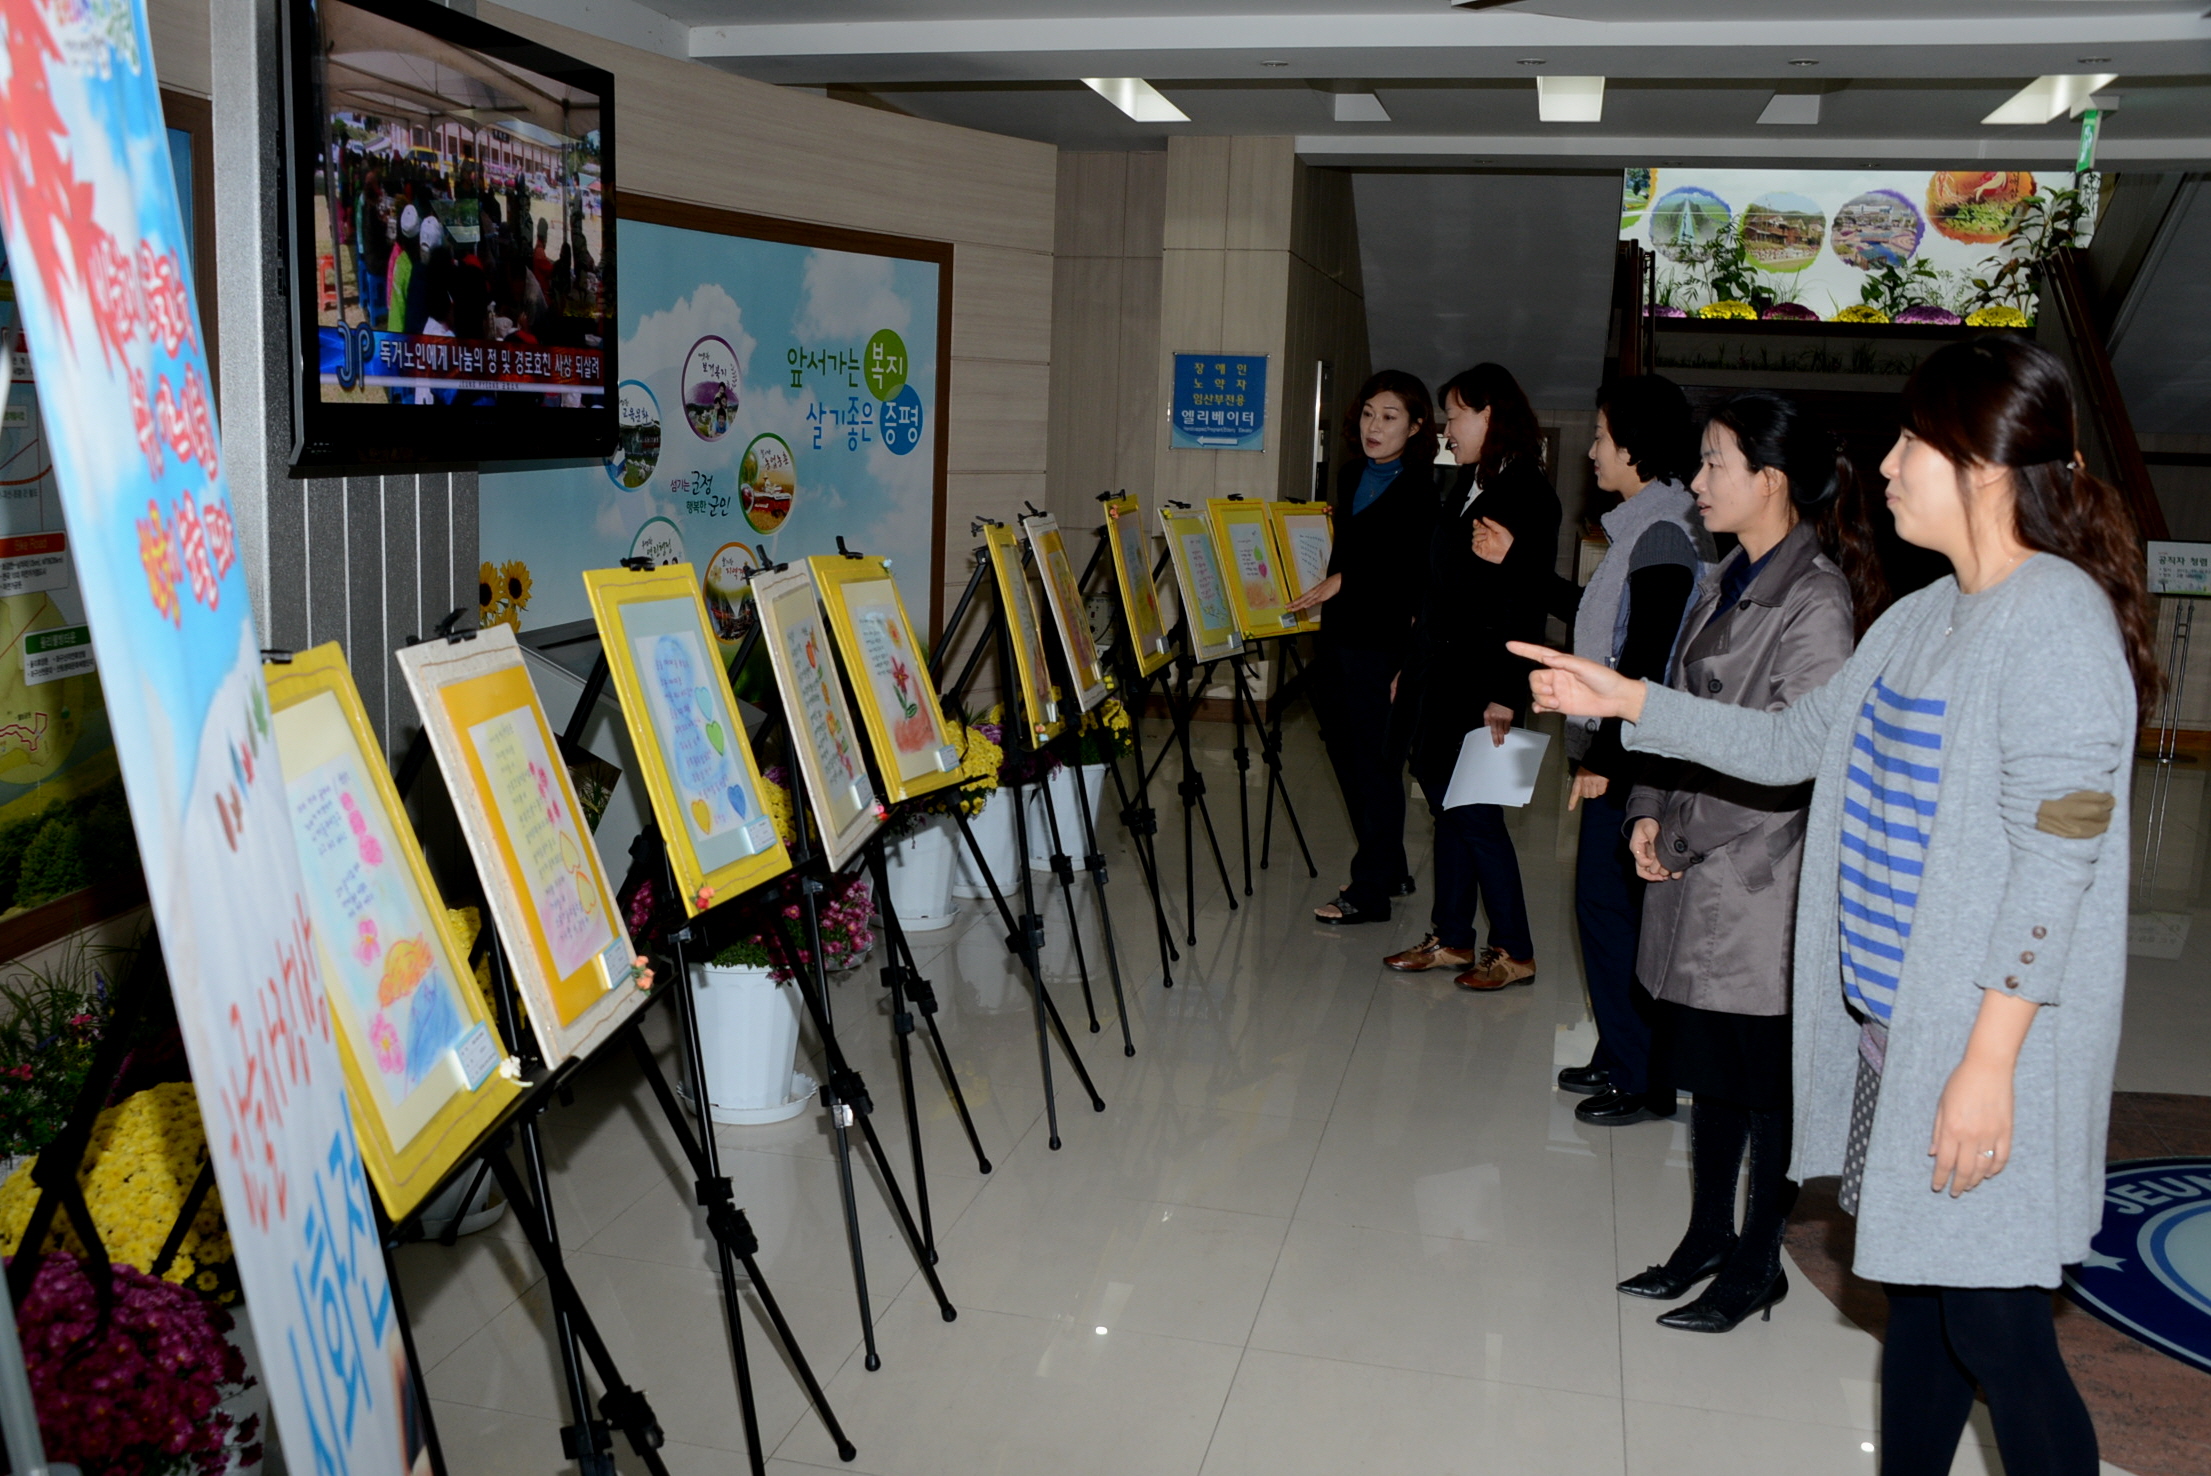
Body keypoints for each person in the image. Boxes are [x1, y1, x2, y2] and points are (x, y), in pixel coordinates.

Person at [1512, 336, 2152, 1474]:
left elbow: (2059, 860)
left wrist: (1987, 1067)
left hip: (1986, 1043)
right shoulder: (1918, 616)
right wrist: (1632, 700)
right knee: (1928, 1310)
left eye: (1914, 443)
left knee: (1998, 1329)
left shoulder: (2052, 618)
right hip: (1900, 1037)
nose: (1890, 465)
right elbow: (1790, 740)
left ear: (1985, 465)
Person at [1614, 392, 1862, 1327]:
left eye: (1716, 463)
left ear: (1773, 478)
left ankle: (1758, 1258)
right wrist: (1644, 808)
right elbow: (1673, 713)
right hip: (1694, 866)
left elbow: (1788, 762)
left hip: (1761, 889)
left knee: (1763, 1087)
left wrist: (1675, 837)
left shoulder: (1814, 601)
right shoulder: (1723, 574)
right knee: (1709, 1074)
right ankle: (1704, 1237)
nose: (1699, 480)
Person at [1471, 375, 1711, 1115]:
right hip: (1622, 749)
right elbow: (1596, 619)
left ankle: (1643, 1078)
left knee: (1611, 913)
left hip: (1635, 757)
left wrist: (1605, 758)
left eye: (1602, 438)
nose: (1593, 452)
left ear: (1634, 447)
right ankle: (1619, 1050)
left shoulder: (1664, 530)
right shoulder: (1642, 521)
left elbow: (1641, 656)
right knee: (1607, 915)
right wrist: (1521, 567)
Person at [1384, 363, 1558, 991]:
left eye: (1456, 415)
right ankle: (1453, 937)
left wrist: (1508, 695)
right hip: (1441, 675)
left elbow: (1524, 606)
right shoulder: (1468, 484)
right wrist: (1411, 664)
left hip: (1489, 683)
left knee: (1478, 816)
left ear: (1490, 415)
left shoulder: (1530, 493)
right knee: (1447, 806)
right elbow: (1439, 588)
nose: (1448, 429)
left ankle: (1515, 948)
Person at [1291, 370, 1438, 925]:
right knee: (1345, 758)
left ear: (1416, 426)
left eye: (1391, 417)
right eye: (1369, 413)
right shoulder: (1352, 475)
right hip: (1337, 637)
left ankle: (1370, 890)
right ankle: (1391, 863)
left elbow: (1413, 576)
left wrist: (1348, 580)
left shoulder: (1423, 490)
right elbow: (1346, 551)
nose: (1375, 427)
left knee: (1376, 766)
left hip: (1383, 645)